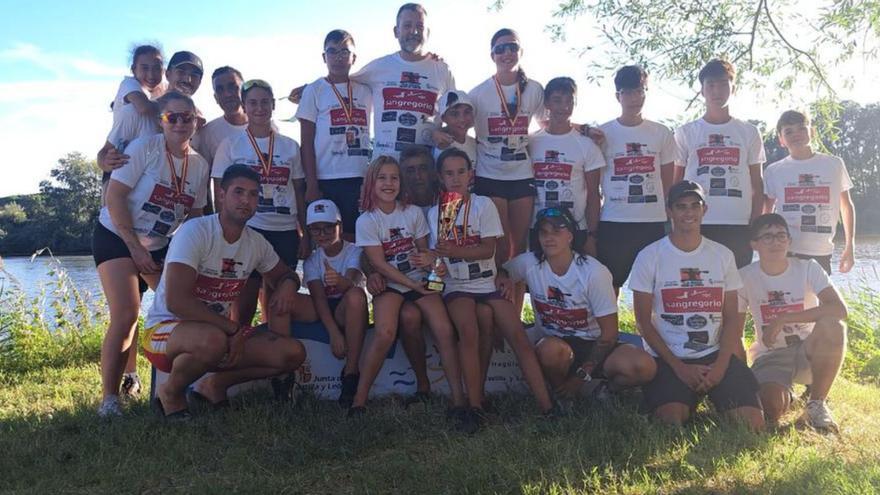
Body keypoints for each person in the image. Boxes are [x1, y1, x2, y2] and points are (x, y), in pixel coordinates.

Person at [142, 164, 307, 419]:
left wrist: (287, 286)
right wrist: (232, 329)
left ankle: (213, 386)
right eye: (238, 192)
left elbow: (285, 274)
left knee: (291, 353)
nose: (246, 200)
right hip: (166, 330)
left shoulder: (256, 243)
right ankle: (171, 393)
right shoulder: (195, 232)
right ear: (221, 195)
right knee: (213, 340)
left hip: (219, 334)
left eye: (253, 195)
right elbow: (177, 302)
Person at [93, 91, 209, 417]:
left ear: (196, 123)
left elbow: (196, 218)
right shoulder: (145, 148)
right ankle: (110, 400)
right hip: (116, 235)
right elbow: (115, 197)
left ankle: (175, 384)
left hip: (158, 245)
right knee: (128, 313)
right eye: (173, 117)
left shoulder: (199, 165)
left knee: (185, 307)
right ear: (162, 120)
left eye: (187, 117)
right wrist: (133, 247)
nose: (181, 123)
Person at [429, 149, 555, 432]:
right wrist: (435, 264)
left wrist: (457, 250)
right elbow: (436, 255)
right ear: (440, 177)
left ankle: (548, 407)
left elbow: (489, 248)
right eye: (448, 173)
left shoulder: (483, 205)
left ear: (470, 174)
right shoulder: (434, 211)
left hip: (487, 283)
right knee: (469, 332)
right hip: (457, 285)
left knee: (518, 336)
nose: (455, 178)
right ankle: (475, 407)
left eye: (461, 172)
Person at [630, 180, 764, 430]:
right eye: (681, 207)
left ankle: (717, 393)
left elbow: (733, 317)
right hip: (670, 358)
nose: (688, 213)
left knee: (753, 426)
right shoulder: (649, 256)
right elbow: (643, 322)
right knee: (670, 424)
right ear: (669, 211)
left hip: (715, 355)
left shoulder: (722, 255)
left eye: (695, 206)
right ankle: (682, 397)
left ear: (705, 210)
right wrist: (679, 368)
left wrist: (721, 366)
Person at [503, 206, 656, 405]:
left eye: (557, 232)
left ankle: (605, 389)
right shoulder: (529, 263)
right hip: (555, 345)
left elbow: (609, 334)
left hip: (594, 344)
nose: (549, 238)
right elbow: (500, 272)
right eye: (544, 232)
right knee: (551, 350)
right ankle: (564, 396)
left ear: (570, 236)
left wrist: (580, 376)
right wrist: (503, 278)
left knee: (645, 366)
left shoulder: (594, 272)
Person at [352, 156, 466, 419]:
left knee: (444, 330)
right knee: (384, 332)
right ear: (371, 182)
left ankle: (459, 402)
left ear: (401, 182)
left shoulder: (413, 212)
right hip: (393, 283)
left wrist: (433, 267)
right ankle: (358, 401)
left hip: (420, 279)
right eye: (382, 178)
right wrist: (411, 284)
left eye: (394, 177)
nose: (389, 183)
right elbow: (378, 264)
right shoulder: (366, 220)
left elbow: (426, 252)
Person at [211, 79, 307, 326]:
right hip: (247, 230)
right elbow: (219, 192)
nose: (259, 108)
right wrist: (222, 233)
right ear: (244, 106)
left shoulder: (290, 146)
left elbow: (299, 190)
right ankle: (235, 351)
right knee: (243, 303)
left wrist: (305, 234)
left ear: (274, 105)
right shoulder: (230, 145)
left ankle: (273, 356)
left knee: (278, 307)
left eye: (265, 102)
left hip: (284, 230)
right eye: (252, 103)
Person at [738, 213, 847, 430]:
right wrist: (740, 376)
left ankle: (816, 404)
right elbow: (736, 331)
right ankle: (787, 395)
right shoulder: (743, 276)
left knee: (833, 325)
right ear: (754, 244)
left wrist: (783, 319)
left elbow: (839, 309)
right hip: (771, 355)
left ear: (789, 240)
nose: (776, 241)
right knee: (771, 408)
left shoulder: (808, 267)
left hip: (808, 351)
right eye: (767, 236)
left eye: (781, 235)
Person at [673, 59, 765, 268]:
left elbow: (757, 185)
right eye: (711, 85)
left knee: (737, 292)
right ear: (702, 91)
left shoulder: (749, 132)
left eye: (723, 84)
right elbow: (676, 184)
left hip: (738, 225)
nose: (717, 91)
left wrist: (755, 224)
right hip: (696, 223)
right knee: (701, 285)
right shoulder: (686, 132)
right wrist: (675, 223)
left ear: (734, 88)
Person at [597, 65, 678, 293]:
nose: (635, 98)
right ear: (618, 96)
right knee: (609, 285)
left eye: (640, 91)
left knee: (655, 286)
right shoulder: (602, 134)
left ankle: (651, 330)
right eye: (628, 92)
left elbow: (668, 184)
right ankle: (608, 330)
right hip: (615, 221)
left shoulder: (661, 133)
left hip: (652, 222)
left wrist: (669, 221)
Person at [468, 28, 545, 266]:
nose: (507, 53)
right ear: (492, 55)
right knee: (499, 249)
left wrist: (583, 129)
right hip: (490, 175)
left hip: (522, 176)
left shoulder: (534, 89)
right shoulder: (478, 93)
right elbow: (457, 123)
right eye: (500, 49)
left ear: (521, 51)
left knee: (519, 249)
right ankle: (496, 302)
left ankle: (515, 304)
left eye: (512, 47)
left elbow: (549, 124)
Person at [348, 3, 455, 160]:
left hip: (425, 169)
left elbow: (455, 117)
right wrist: (310, 89)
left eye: (420, 26)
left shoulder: (442, 69)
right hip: (386, 171)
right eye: (407, 25)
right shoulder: (379, 66)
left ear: (428, 33)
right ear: (396, 31)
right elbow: (341, 81)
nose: (414, 31)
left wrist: (443, 133)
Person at [296, 29, 372, 242]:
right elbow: (306, 142)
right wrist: (311, 184)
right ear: (324, 57)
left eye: (344, 52)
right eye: (332, 51)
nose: (338, 57)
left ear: (353, 57)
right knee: (326, 238)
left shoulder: (366, 89)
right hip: (325, 179)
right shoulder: (314, 90)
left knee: (356, 238)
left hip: (359, 178)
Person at [763, 110, 856, 274]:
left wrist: (850, 246)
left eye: (801, 128)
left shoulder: (834, 164)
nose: (796, 135)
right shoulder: (774, 170)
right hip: (786, 250)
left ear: (811, 131)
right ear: (781, 139)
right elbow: (766, 212)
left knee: (821, 300)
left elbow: (846, 206)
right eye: (788, 131)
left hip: (821, 251)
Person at [527, 77, 604, 256]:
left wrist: (592, 235)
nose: (564, 107)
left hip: (575, 228)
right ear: (546, 103)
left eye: (569, 101)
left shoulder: (587, 144)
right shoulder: (531, 142)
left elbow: (594, 194)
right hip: (538, 228)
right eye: (557, 100)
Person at [301, 199, 368, 407]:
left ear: (339, 225)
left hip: (351, 308)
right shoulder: (312, 260)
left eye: (328, 227)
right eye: (316, 230)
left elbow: (352, 282)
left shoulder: (355, 251)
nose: (323, 234)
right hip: (329, 313)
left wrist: (339, 281)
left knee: (356, 295)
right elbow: (319, 299)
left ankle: (351, 371)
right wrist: (334, 333)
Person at [99, 51, 205, 177]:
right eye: (181, 72)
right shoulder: (137, 112)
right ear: (167, 74)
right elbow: (105, 154)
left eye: (194, 75)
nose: (188, 79)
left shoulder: (195, 123)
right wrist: (107, 166)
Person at [98, 45, 166, 186]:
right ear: (133, 69)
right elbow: (144, 107)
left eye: (156, 68)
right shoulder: (129, 84)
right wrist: (170, 102)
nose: (151, 74)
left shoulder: (158, 92)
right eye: (145, 68)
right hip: (120, 168)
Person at [432, 90, 477, 165]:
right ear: (443, 118)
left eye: (467, 112)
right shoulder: (438, 144)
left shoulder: (475, 144)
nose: (462, 119)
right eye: (454, 114)